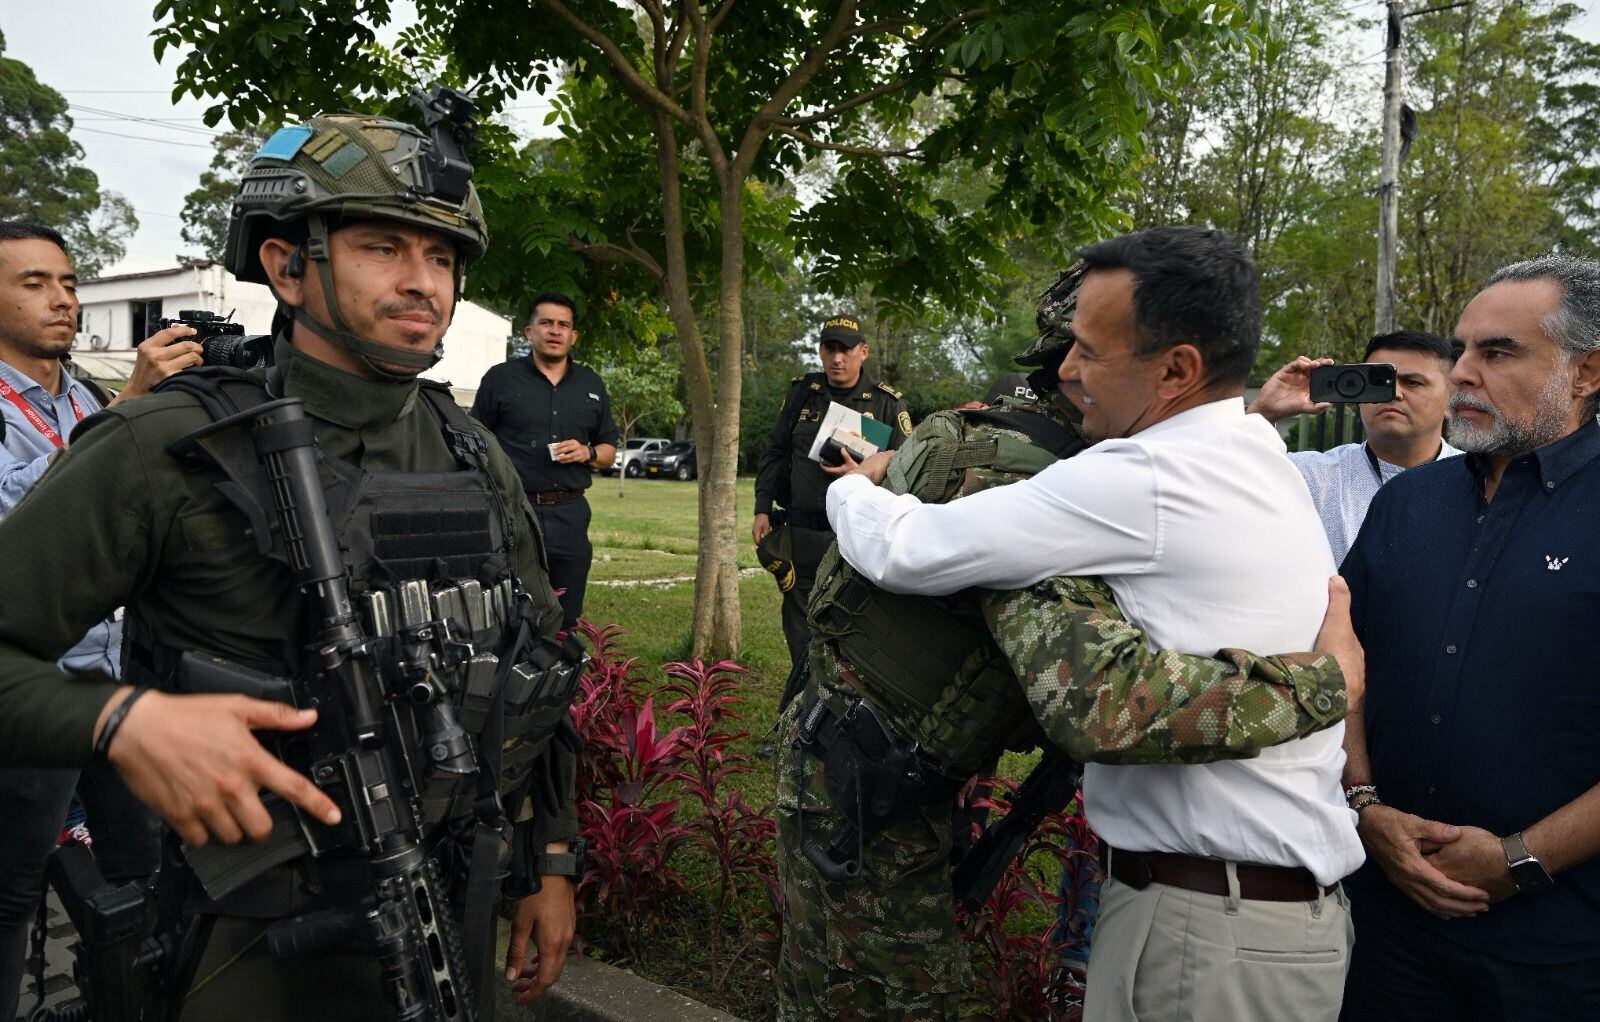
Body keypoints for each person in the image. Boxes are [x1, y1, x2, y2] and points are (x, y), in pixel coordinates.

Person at [0, 104, 582, 1018]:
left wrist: (550, 861)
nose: (422, 282)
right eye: (383, 248)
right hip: (248, 944)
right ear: (286, 266)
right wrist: (120, 721)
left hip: (443, 917)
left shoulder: (471, 451)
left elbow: (535, 661)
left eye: (441, 258)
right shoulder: (164, 444)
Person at [775, 258, 1361, 1022]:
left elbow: (915, 553)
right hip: (1234, 912)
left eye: (1087, 350)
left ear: (1176, 371)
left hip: (1213, 928)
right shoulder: (1248, 456)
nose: (1068, 372)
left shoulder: (1130, 474)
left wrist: (857, 484)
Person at [1339, 254, 1600, 1020]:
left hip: (1560, 942)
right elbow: (1341, 661)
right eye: (1461, 350)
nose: (1461, 373)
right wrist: (1365, 806)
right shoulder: (1407, 503)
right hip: (1385, 921)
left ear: (1586, 372)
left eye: (1498, 351)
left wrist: (1521, 858)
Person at [0, 219, 201, 1019]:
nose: (62, 300)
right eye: (34, 283)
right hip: (31, 693)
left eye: (69, 283)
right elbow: (23, 525)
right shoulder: (99, 406)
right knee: (14, 895)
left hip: (112, 683)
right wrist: (129, 409)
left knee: (140, 874)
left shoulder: (82, 398)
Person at [753, 315, 911, 666]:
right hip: (803, 534)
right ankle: (801, 694)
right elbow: (775, 451)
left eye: (846, 350)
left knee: (853, 624)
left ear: (863, 351)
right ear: (821, 351)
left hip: (856, 536)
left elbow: (906, 472)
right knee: (799, 625)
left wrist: (863, 474)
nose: (837, 358)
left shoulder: (886, 404)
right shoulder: (802, 393)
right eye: (830, 349)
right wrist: (762, 507)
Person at [1248, 330, 1461, 563]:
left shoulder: (1478, 481)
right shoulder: (1310, 477)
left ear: (1452, 401)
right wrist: (1262, 411)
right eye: (1378, 380)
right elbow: (1230, 482)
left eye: (1413, 383)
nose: (1394, 393)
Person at [472, 291, 617, 628]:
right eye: (546, 322)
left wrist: (587, 452)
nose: (555, 330)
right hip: (512, 511)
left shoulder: (591, 384)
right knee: (507, 609)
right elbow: (475, 442)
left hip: (570, 514)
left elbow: (609, 450)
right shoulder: (500, 379)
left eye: (563, 325)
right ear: (529, 331)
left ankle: (561, 662)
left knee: (567, 613)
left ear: (573, 335)